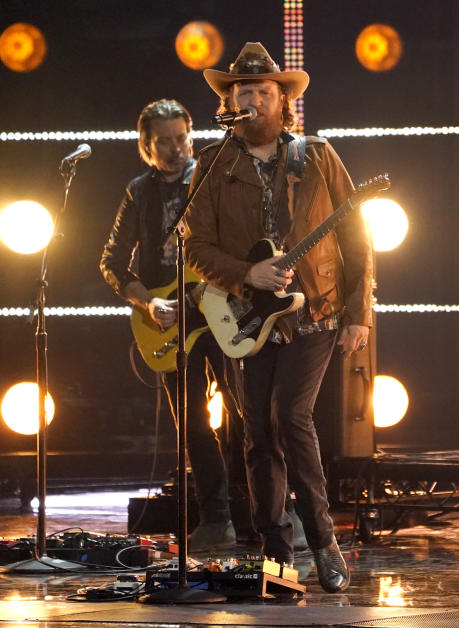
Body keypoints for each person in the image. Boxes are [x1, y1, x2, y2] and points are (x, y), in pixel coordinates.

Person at [182, 42, 373, 593]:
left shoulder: (317, 155)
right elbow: (194, 245)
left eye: (262, 92)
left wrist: (360, 312)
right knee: (256, 434)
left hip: (314, 311)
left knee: (291, 416)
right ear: (231, 102)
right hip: (247, 315)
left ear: (283, 100)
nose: (251, 100)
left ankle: (324, 542)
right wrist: (247, 275)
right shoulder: (214, 163)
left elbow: (357, 235)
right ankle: (275, 553)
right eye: (242, 92)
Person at [100, 99, 238, 552]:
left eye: (182, 138)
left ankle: (267, 511)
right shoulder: (139, 192)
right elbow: (114, 262)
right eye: (165, 141)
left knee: (248, 415)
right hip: (168, 317)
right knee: (193, 425)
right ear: (146, 145)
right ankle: (216, 518)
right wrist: (147, 302)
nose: (177, 149)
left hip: (220, 308)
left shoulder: (214, 175)